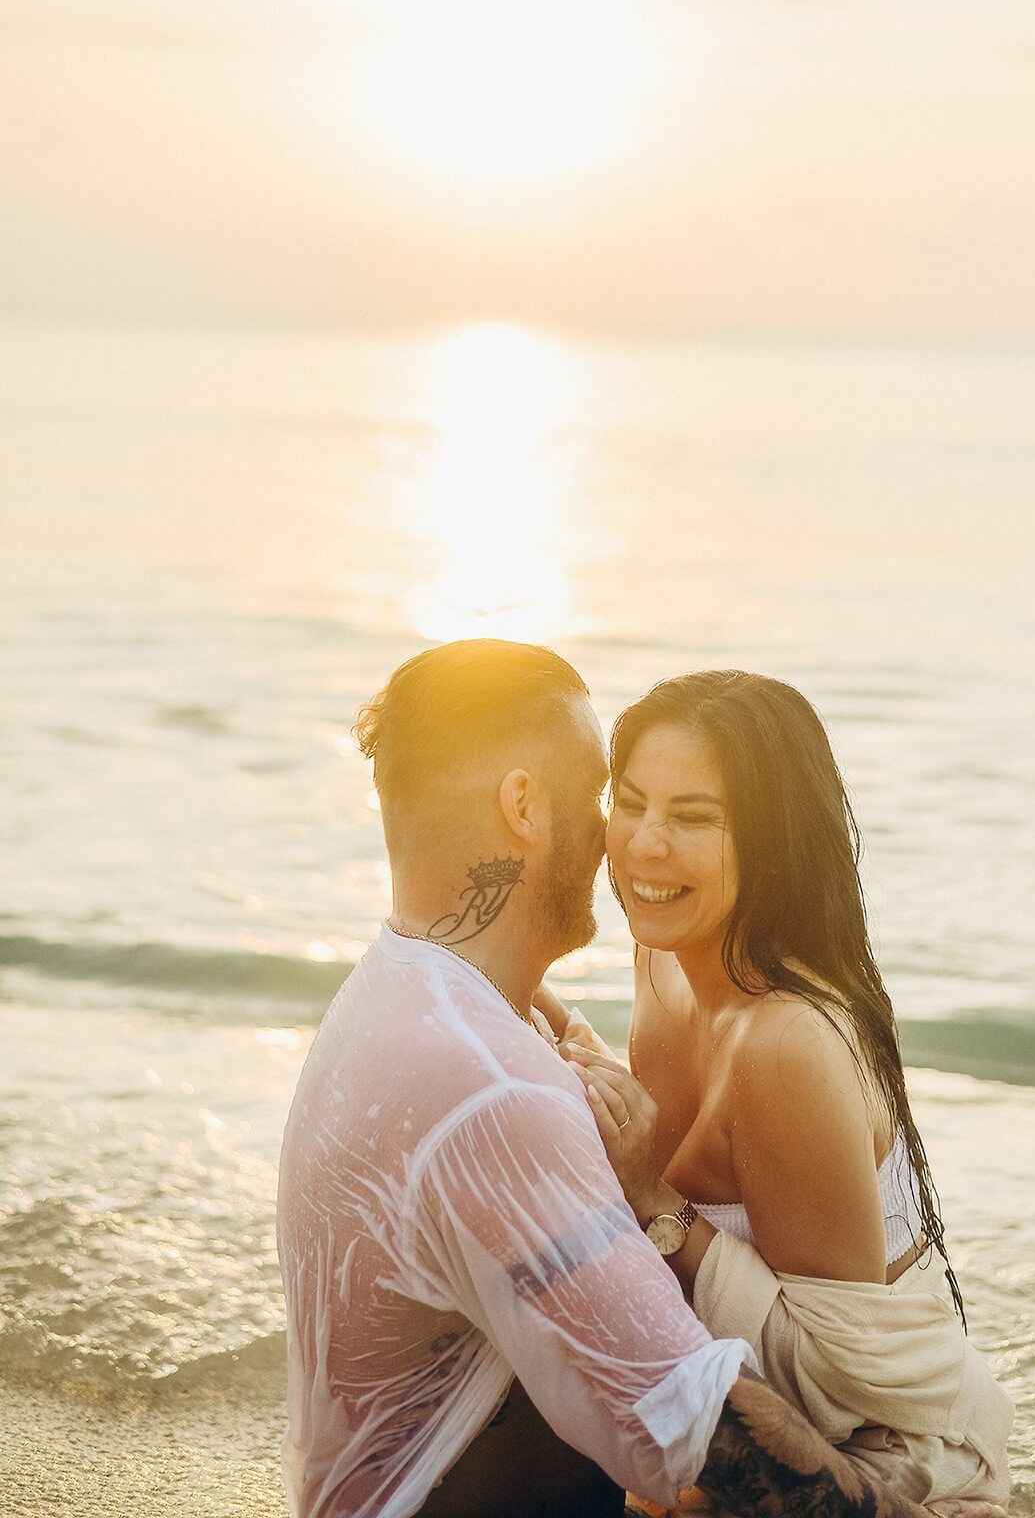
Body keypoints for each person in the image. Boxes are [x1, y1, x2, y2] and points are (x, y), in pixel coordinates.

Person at [277, 639, 934, 1518]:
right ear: (524, 805)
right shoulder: (492, 1089)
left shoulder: (401, 993)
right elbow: (713, 1439)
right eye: (605, 796)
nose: (620, 839)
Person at [557, 671, 1014, 1515]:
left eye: (693, 817)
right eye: (631, 802)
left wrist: (653, 1199)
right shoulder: (665, 959)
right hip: (764, 1433)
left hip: (888, 1466)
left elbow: (835, 1381)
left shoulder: (787, 1042)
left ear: (771, 841)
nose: (645, 844)